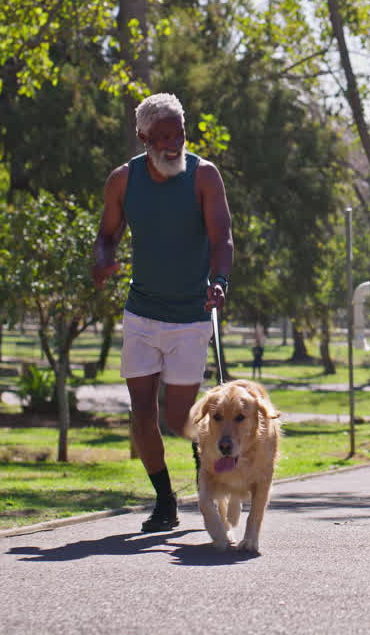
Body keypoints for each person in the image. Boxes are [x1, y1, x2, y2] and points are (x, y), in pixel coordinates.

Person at [93, 92, 233, 532]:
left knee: (178, 417)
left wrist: (220, 280)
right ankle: (165, 501)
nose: (174, 144)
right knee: (140, 414)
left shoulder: (203, 176)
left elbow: (222, 238)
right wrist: (102, 259)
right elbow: (106, 235)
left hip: (189, 315)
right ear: (143, 137)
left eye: (180, 134)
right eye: (163, 137)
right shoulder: (123, 180)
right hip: (141, 312)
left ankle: (207, 475)